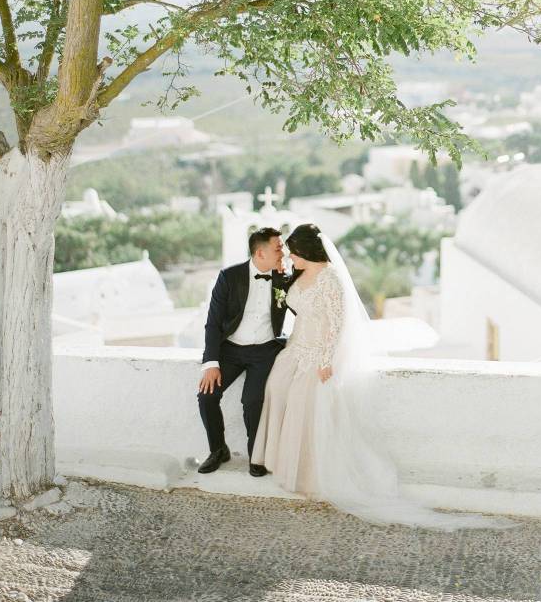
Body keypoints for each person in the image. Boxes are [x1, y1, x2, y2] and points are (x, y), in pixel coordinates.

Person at [252, 224, 517, 531]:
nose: (289, 256)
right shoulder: (297, 274)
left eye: (293, 251)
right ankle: (283, 464)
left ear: (306, 251)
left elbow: (337, 324)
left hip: (317, 355)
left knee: (304, 406)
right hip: (296, 348)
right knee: (277, 390)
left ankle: (309, 474)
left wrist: (325, 361)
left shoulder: (331, 280)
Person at [196, 227, 297, 476]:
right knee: (207, 396)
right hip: (230, 349)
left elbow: (304, 309)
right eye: (278, 248)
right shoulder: (229, 277)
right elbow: (213, 322)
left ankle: (257, 456)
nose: (283, 252)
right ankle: (218, 450)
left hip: (265, 351)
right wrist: (211, 363)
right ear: (260, 253)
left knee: (253, 401)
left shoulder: (284, 279)